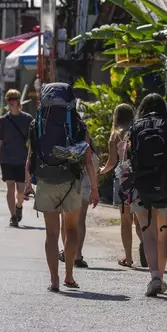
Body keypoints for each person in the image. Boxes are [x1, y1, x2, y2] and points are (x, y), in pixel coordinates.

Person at [28, 82, 99, 292]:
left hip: (46, 180)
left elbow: (30, 156)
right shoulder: (78, 125)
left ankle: (54, 280)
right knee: (71, 230)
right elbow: (87, 160)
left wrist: (26, 185)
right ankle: (69, 276)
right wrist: (94, 188)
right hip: (71, 181)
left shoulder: (37, 123)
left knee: (51, 234)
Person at [124, 93, 167, 297]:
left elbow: (126, 163)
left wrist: (126, 190)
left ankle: (154, 276)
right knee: (163, 236)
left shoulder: (134, 130)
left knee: (148, 234)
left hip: (141, 189)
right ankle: (159, 279)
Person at [98, 103, 145, 268]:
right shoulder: (137, 130)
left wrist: (101, 171)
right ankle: (148, 248)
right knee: (140, 221)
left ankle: (128, 258)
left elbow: (112, 162)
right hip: (139, 179)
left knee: (126, 221)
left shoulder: (115, 135)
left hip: (123, 179)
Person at [0, 89, 33, 227]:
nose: (11, 103)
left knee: (21, 191)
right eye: (8, 100)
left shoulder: (28, 119)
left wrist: (32, 158)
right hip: (6, 159)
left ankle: (19, 206)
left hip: (22, 160)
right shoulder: (2, 121)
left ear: (18, 102)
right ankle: (13, 216)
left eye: (13, 100)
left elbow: (32, 141)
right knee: (10, 187)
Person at [59, 139, 100, 268]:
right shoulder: (92, 155)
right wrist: (95, 189)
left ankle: (67, 251)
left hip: (68, 187)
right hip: (85, 189)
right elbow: (96, 172)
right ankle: (77, 255)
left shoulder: (67, 149)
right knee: (80, 221)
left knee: (65, 221)